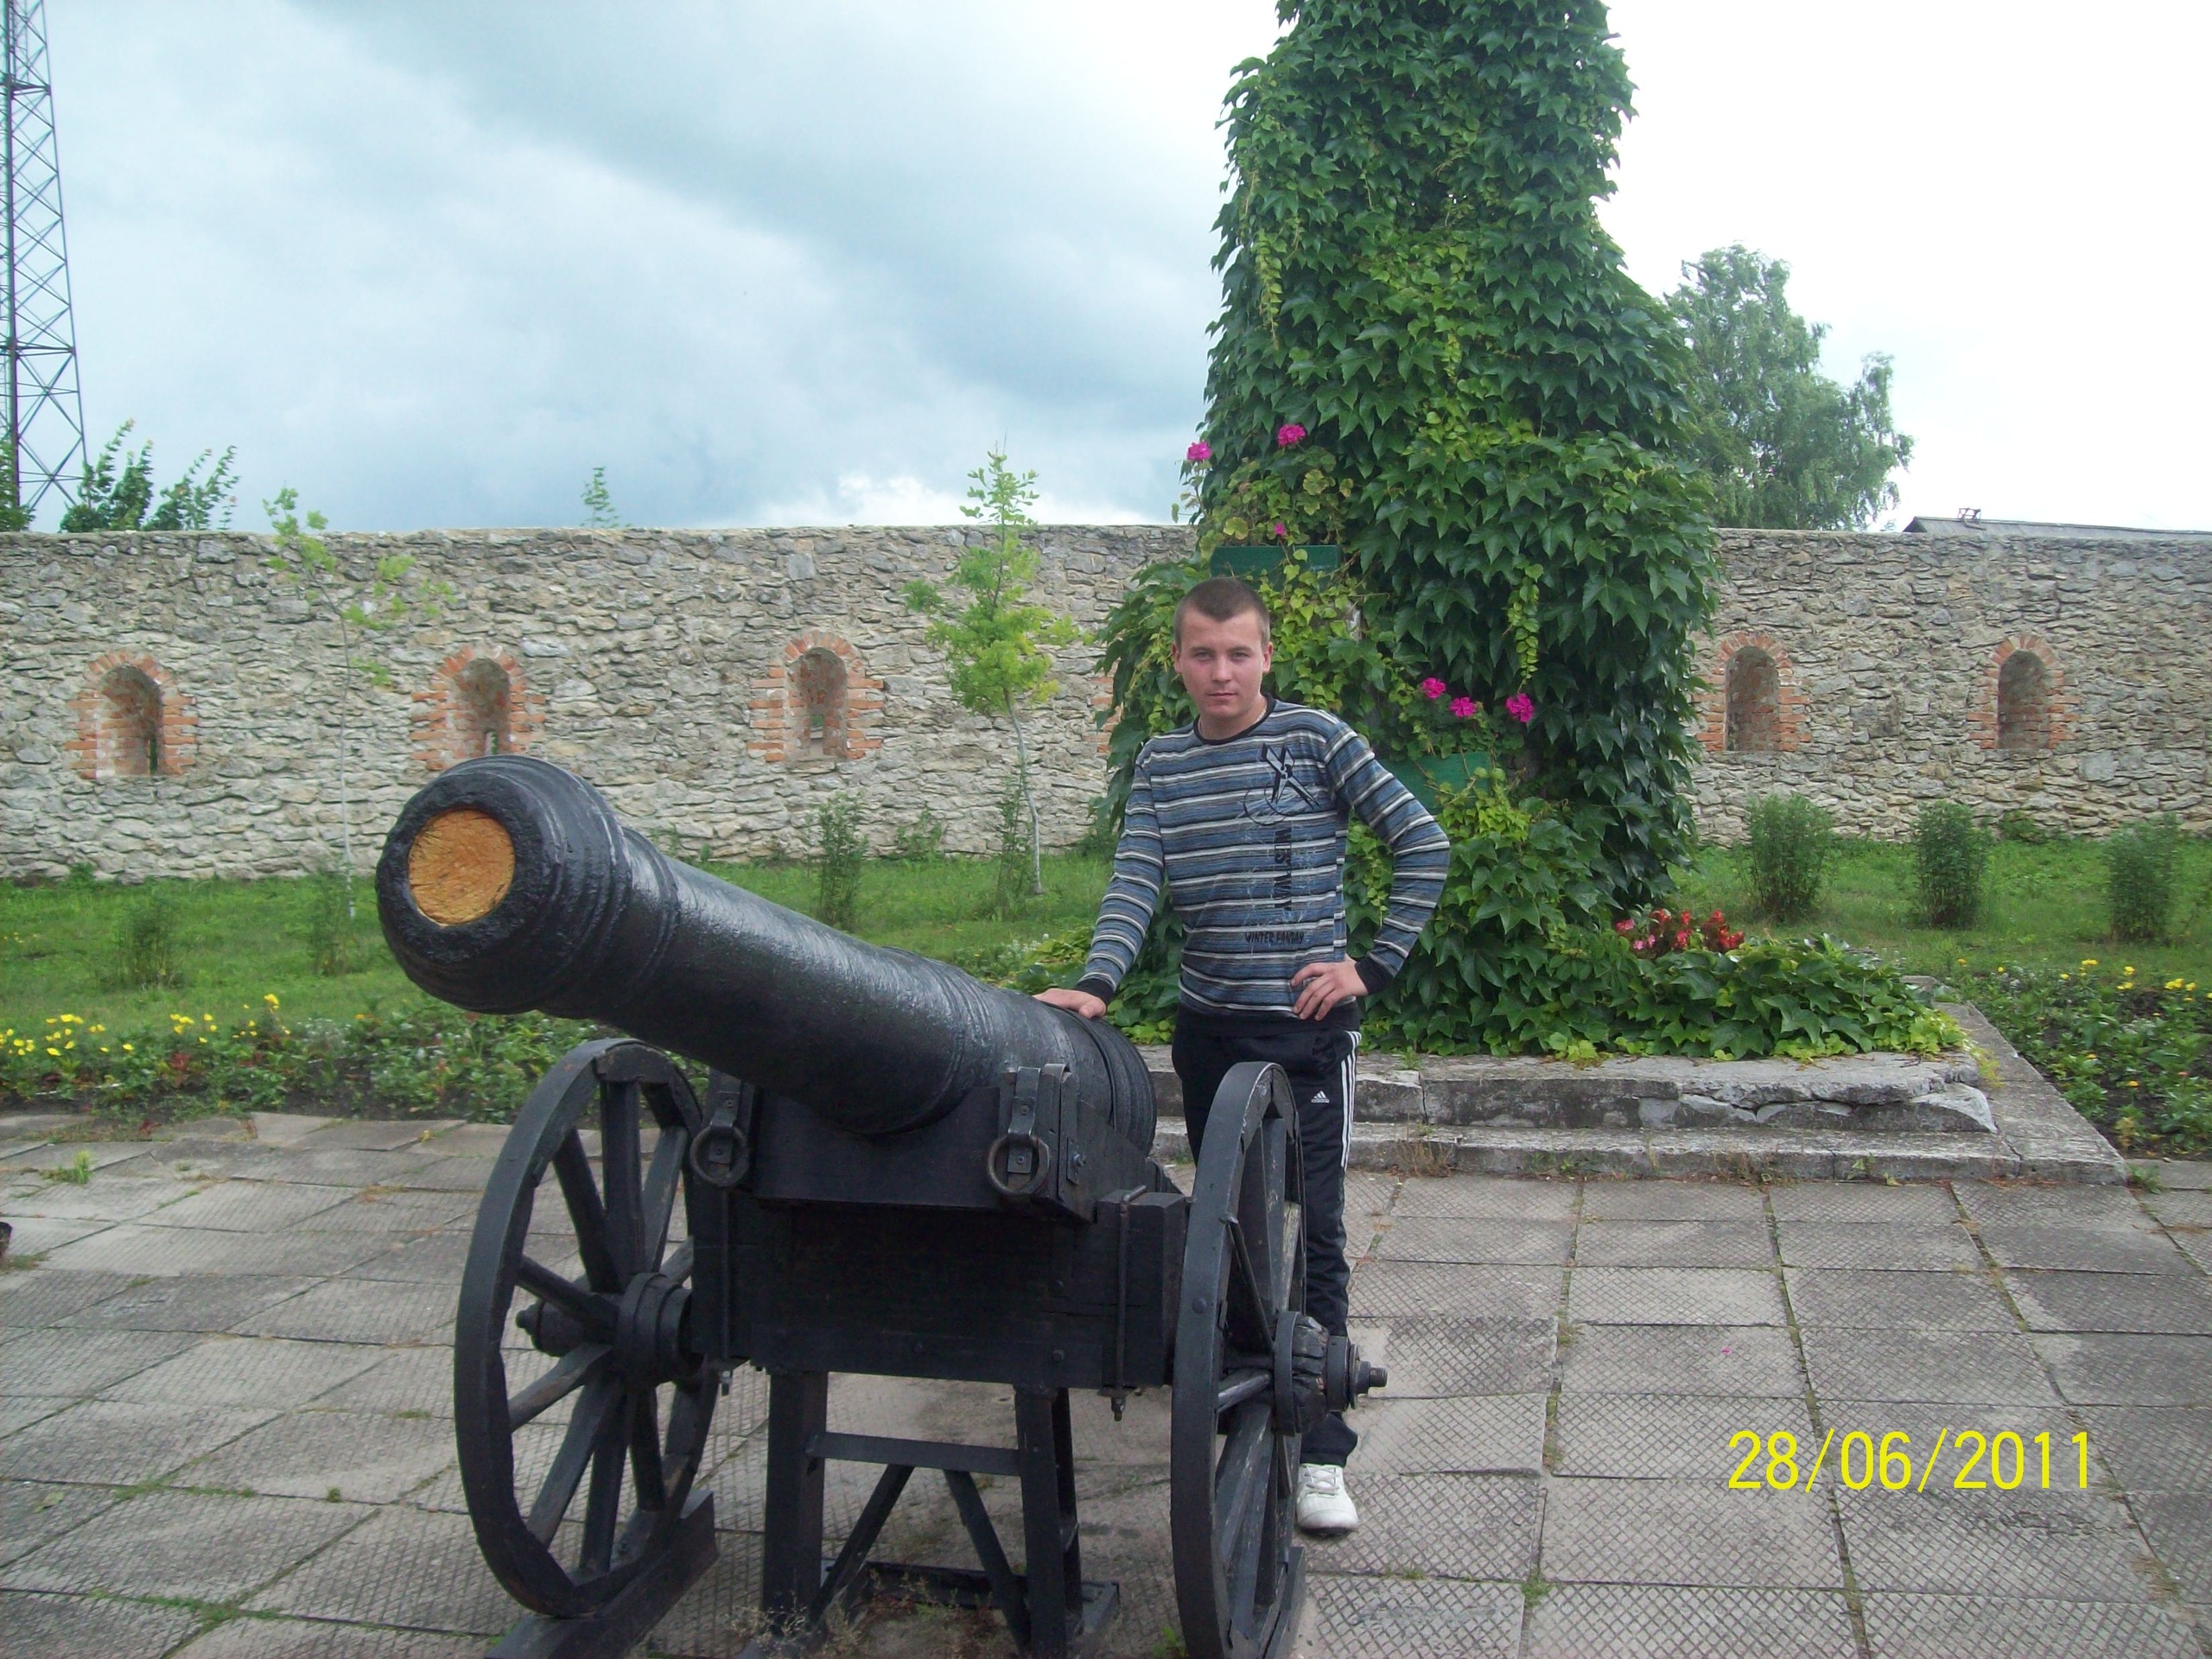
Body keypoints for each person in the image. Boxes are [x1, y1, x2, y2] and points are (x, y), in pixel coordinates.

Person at [1037, 575, 1449, 1534]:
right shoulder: (1161, 766)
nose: (1220, 672)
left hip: (1305, 1037)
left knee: (1315, 1231)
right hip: (1209, 1032)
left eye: (1237, 653)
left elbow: (1421, 844)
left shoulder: (1316, 740)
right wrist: (1098, 981)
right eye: (1202, 654)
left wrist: (1370, 968)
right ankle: (1238, 1391)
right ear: (1178, 662)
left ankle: (1323, 1448)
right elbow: (1136, 879)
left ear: (1266, 656)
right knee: (1225, 1224)